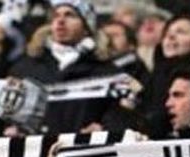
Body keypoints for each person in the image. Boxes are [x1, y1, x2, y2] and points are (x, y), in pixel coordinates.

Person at [9, 0, 138, 134]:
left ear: (87, 27)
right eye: (56, 15)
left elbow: (124, 115)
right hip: (35, 146)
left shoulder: (108, 72)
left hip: (83, 146)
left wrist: (105, 128)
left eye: (70, 15)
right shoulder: (25, 68)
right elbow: (6, 112)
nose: (60, 20)